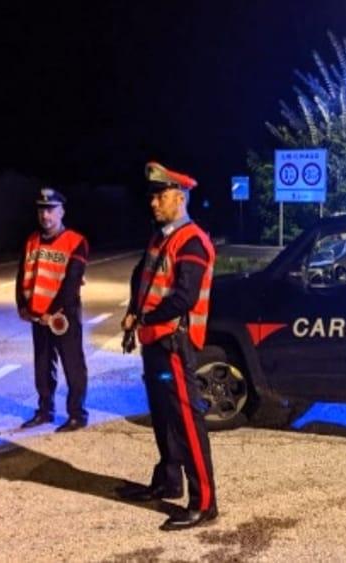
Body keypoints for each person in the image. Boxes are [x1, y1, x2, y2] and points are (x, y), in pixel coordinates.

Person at [119, 162, 218, 531]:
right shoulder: (161, 237)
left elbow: (184, 298)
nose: (154, 203)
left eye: (161, 196)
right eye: (153, 197)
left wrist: (142, 319)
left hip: (174, 342)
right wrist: (134, 314)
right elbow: (141, 278)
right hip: (154, 341)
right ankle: (168, 481)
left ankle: (204, 502)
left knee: (187, 422)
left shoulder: (191, 240)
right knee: (162, 417)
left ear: (181, 196)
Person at [16, 187, 90, 433]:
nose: (45, 216)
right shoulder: (31, 240)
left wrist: (52, 312)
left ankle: (77, 414)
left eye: (50, 210)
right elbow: (22, 275)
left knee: (73, 365)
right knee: (42, 366)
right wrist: (23, 306)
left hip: (62, 315)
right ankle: (45, 410)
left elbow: (71, 284)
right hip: (38, 316)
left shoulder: (76, 242)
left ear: (62, 211)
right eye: (41, 210)